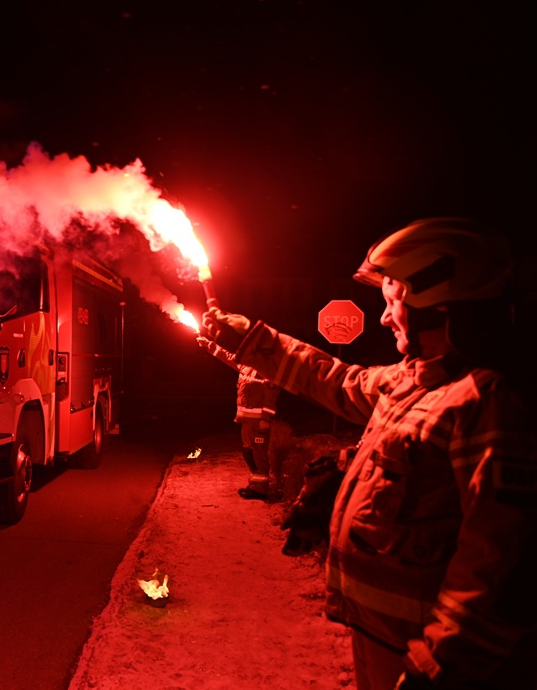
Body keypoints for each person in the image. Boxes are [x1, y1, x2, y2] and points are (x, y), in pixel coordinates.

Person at [199, 218, 536, 689]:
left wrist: (440, 662)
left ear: (435, 307)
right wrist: (256, 342)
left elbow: (500, 560)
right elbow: (336, 380)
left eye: (391, 303)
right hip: (382, 633)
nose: (382, 318)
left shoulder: (486, 404)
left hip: (428, 658)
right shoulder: (409, 382)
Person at [198, 336, 281, 500]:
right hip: (246, 422)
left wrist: (266, 420)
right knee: (249, 454)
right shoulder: (247, 367)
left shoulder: (268, 371)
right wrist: (208, 344)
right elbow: (227, 357)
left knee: (259, 455)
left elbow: (272, 399)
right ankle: (255, 485)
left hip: (259, 423)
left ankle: (261, 490)